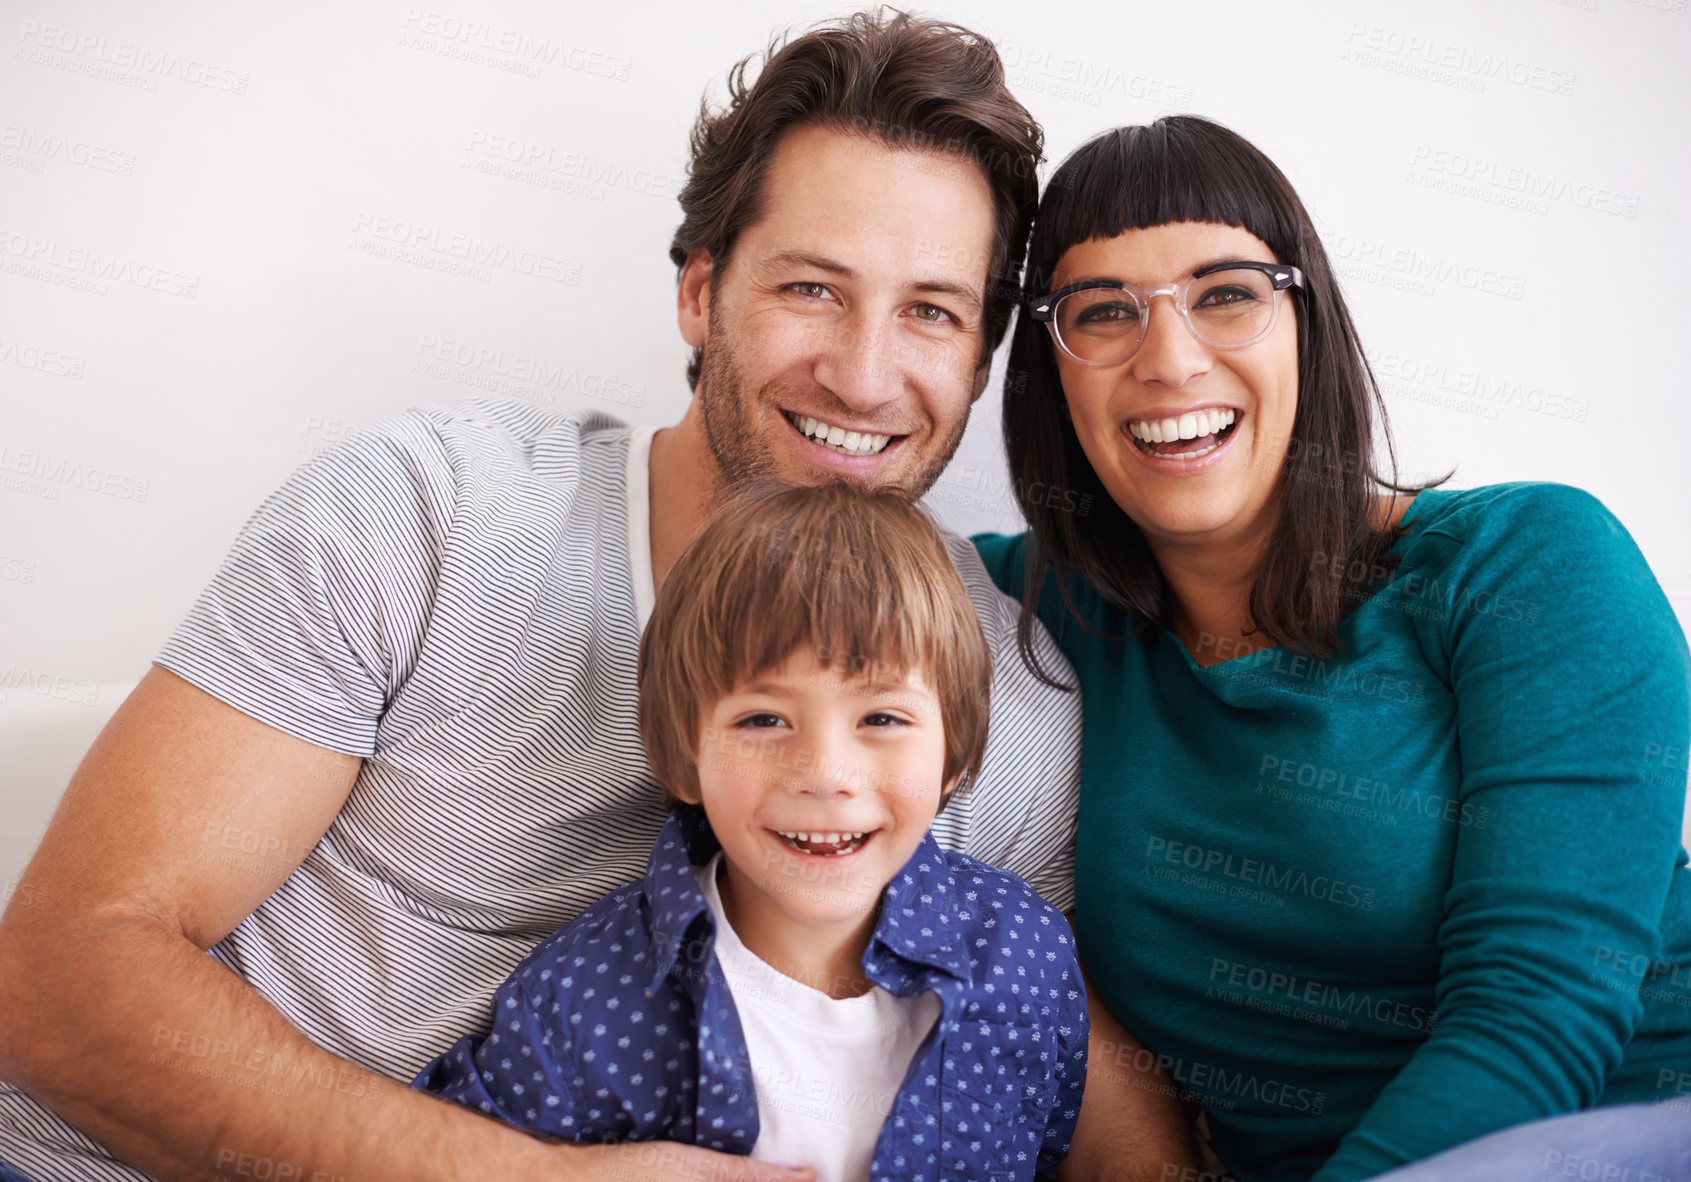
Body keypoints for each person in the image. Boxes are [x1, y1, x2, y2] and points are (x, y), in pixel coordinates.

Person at [0, 14, 1196, 1182]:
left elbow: (1069, 1077)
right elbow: (59, 976)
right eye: (811, 290)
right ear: (698, 294)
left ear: (979, 361)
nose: (865, 372)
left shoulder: (1002, 695)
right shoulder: (429, 513)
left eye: (930, 312)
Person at [974, 115, 1691, 1181]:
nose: (1168, 360)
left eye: (1224, 294)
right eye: (1102, 312)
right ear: (1051, 374)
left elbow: (1536, 1021)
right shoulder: (1041, 613)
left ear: (1305, 322)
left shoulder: (1526, 564)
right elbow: (809, 574)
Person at [416, 483, 1090, 1181]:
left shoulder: (1028, 955)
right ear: (683, 757)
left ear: (955, 754)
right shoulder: (579, 999)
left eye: (882, 719)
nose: (826, 774)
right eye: (763, 720)